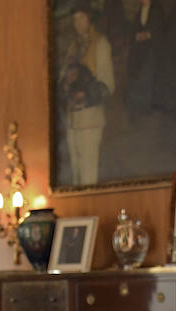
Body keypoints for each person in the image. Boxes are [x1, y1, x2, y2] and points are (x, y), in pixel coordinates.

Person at [58, 8, 113, 187]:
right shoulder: (74, 47)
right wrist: (65, 86)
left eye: (81, 18)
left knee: (89, 173)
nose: (78, 24)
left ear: (88, 19)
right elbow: (63, 76)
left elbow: (108, 84)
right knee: (75, 173)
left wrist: (86, 95)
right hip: (72, 119)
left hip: (90, 119)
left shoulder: (100, 44)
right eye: (75, 20)